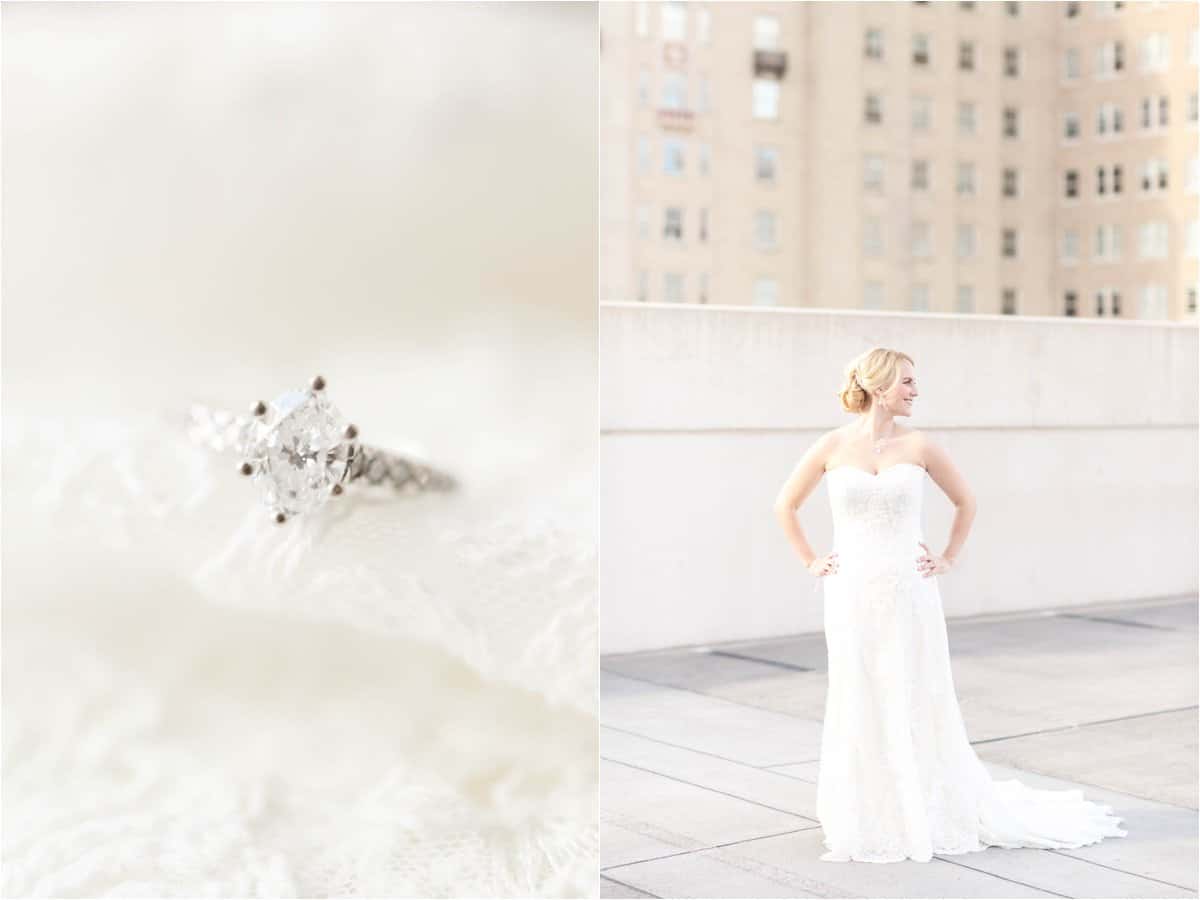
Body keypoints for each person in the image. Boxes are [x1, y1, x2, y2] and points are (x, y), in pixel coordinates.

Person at [773, 346, 1128, 864]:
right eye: (908, 383)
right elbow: (785, 504)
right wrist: (811, 561)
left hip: (909, 590)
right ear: (878, 386)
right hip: (850, 593)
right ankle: (868, 813)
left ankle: (923, 808)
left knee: (916, 691)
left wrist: (947, 557)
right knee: (859, 693)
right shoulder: (831, 445)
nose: (916, 391)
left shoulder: (920, 446)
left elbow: (967, 501)